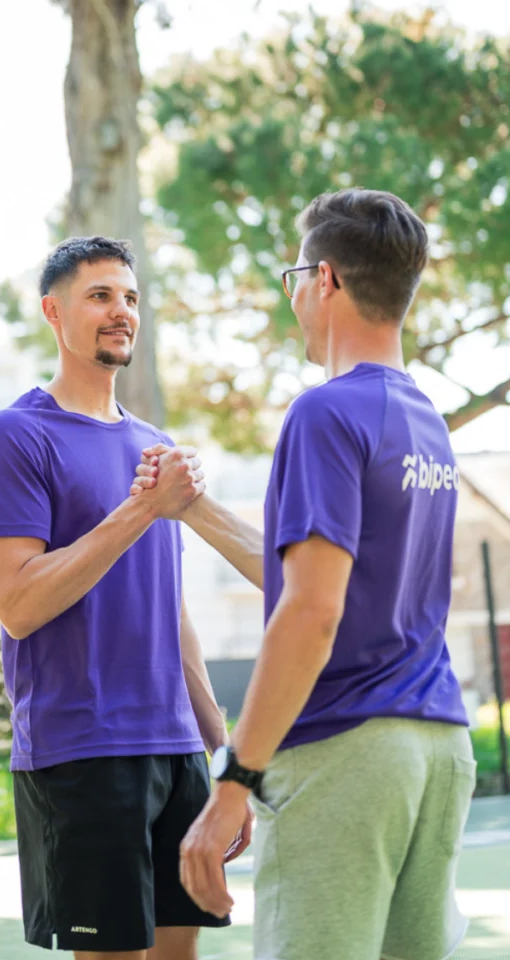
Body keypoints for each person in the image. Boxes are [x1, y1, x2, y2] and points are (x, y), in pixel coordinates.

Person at [132, 189, 475, 960]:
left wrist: (232, 782)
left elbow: (312, 614)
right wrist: (197, 510)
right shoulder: (424, 421)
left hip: (345, 752)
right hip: (437, 750)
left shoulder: (324, 413)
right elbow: (331, 586)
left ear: (323, 280)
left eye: (293, 275)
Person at [0, 235, 251, 959]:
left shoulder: (156, 446)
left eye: (129, 297)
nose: (120, 311)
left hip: (178, 750)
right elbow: (19, 605)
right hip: (82, 752)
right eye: (99, 296)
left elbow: (171, 612)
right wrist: (138, 511)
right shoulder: (15, 436)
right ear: (53, 313)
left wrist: (221, 755)